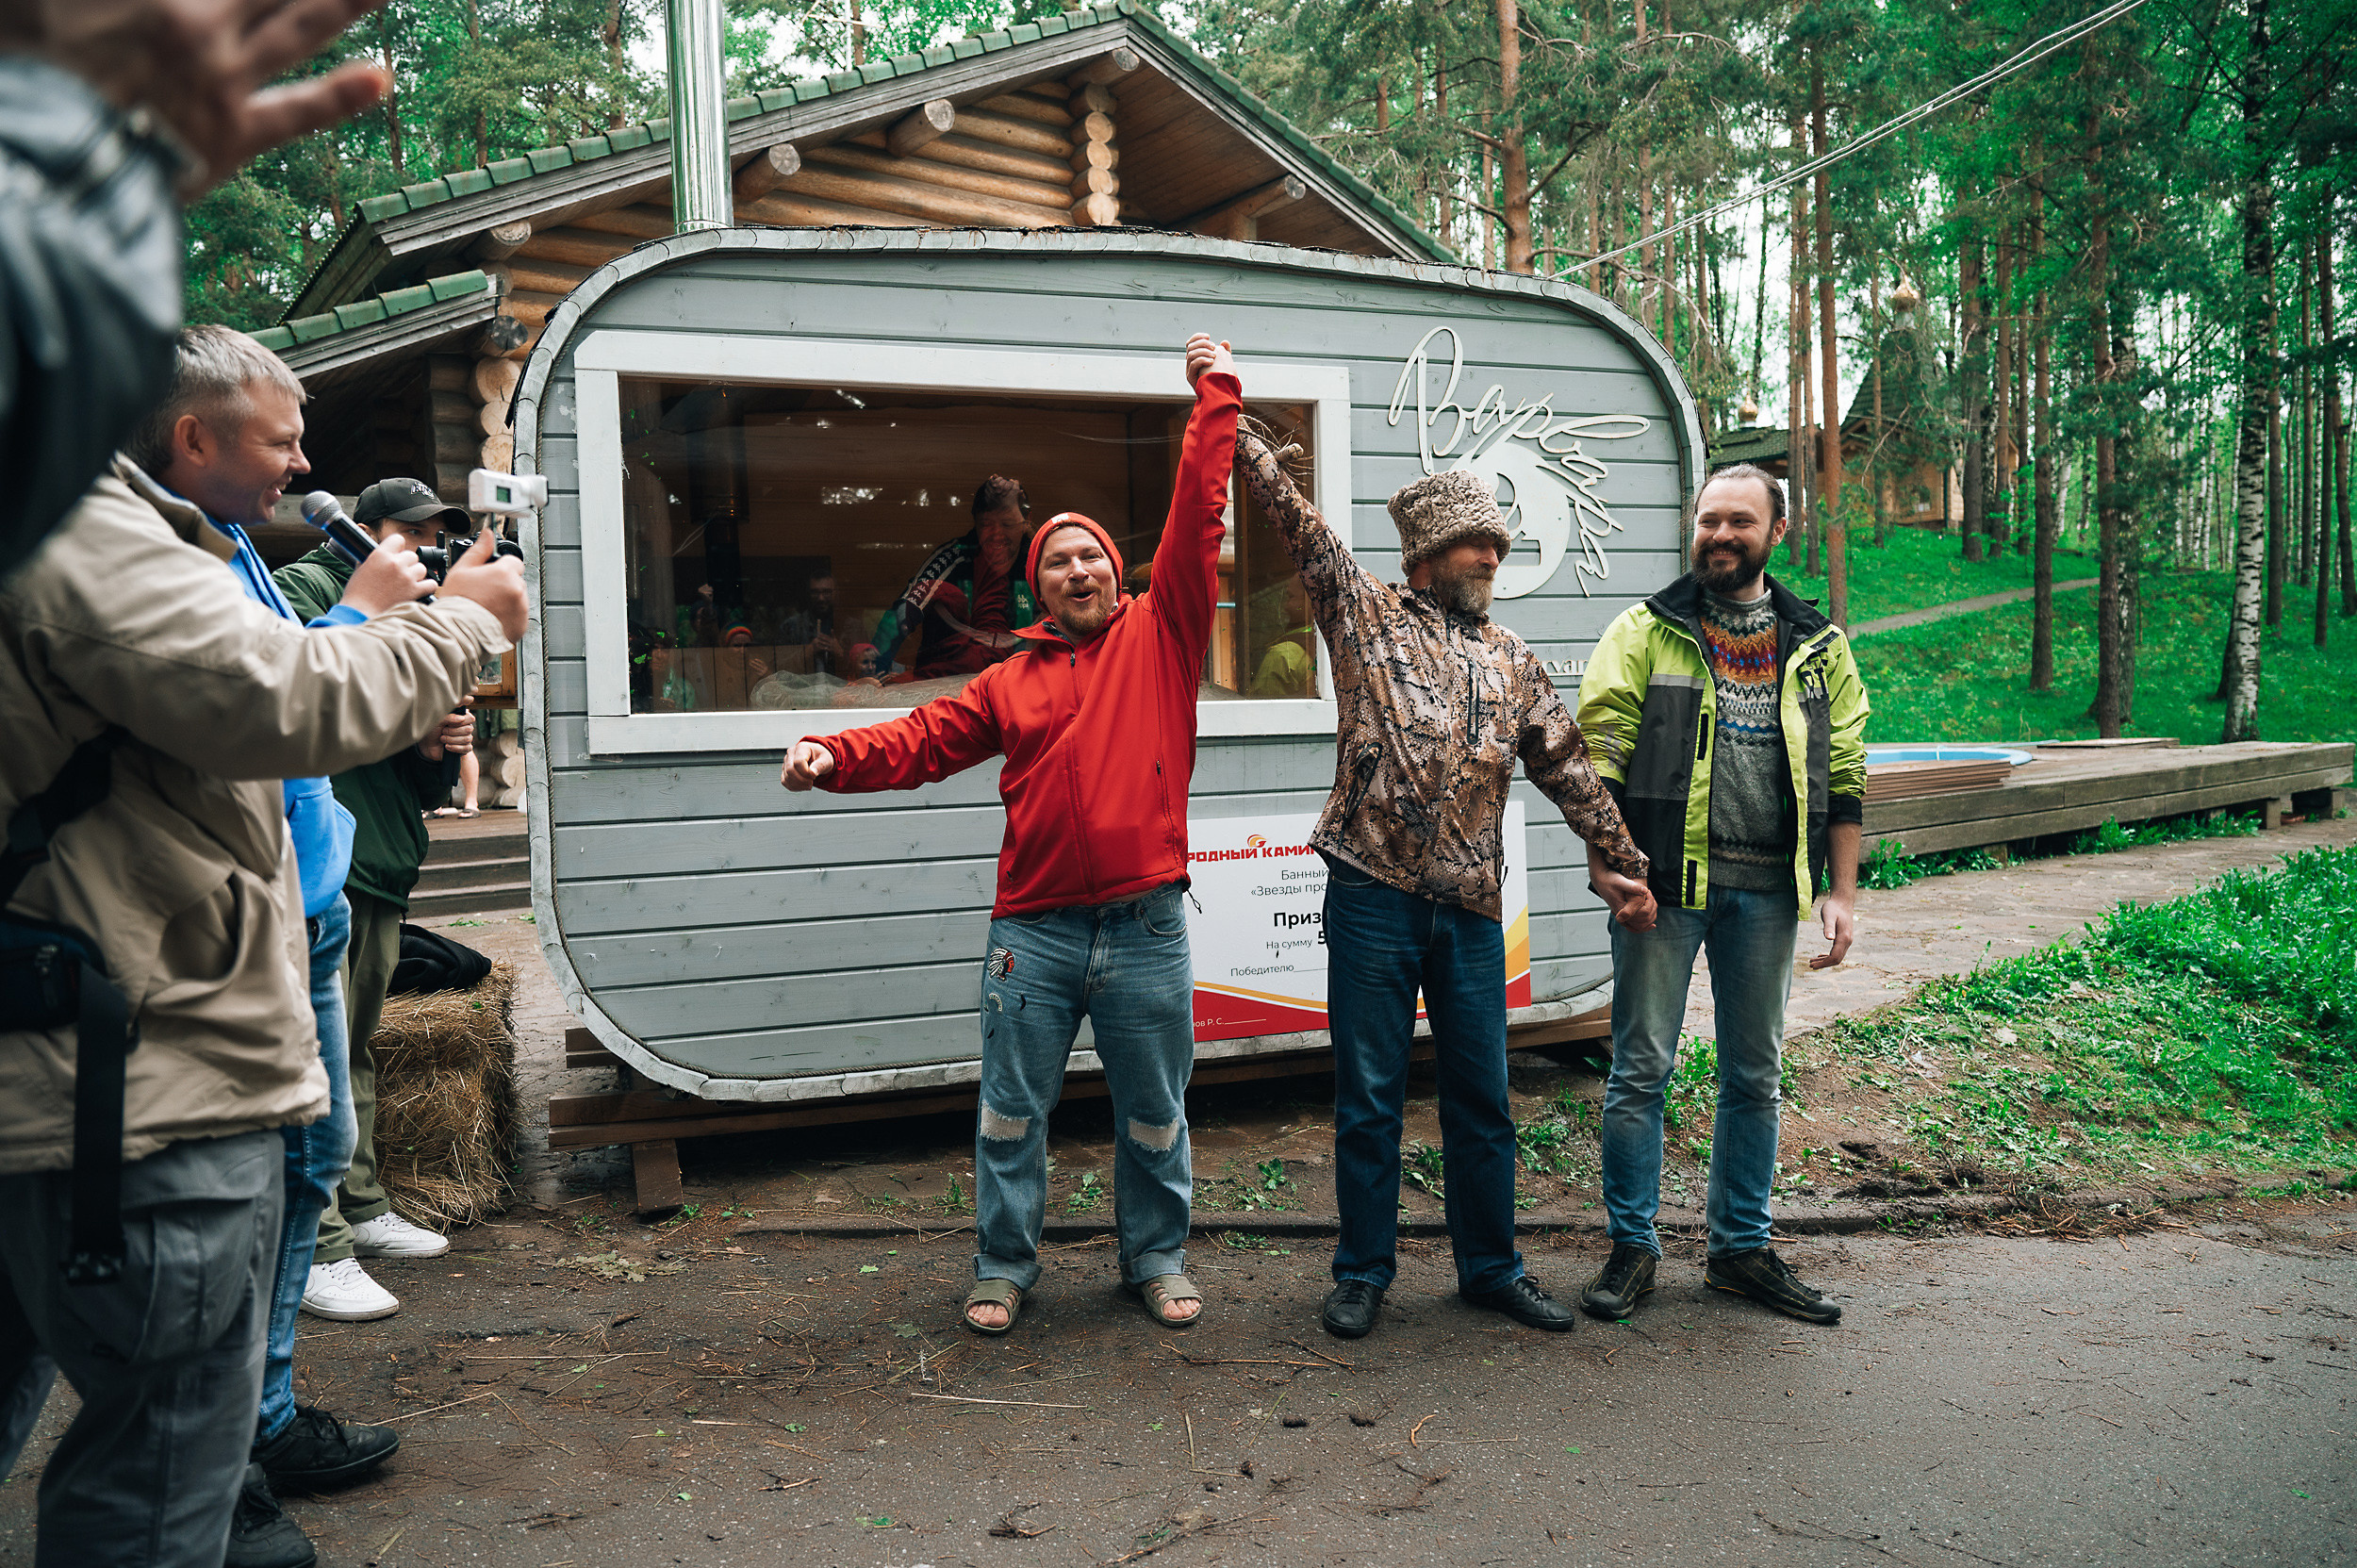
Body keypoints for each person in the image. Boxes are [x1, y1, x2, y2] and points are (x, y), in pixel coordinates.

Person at [0, 388, 524, 1564]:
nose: (303, 460)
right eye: (282, 435)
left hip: (139, 1021)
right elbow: (275, 703)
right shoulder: (75, 523)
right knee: (157, 1457)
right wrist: (453, 626)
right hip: (126, 1067)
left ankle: (262, 1422)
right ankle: (234, 1463)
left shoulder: (135, 527)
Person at [783, 336, 1239, 1336]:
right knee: (1008, 1115)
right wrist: (831, 752)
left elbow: (1198, 512)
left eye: (1092, 555)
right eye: (1058, 560)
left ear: (1118, 574)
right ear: (1039, 587)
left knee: (1155, 1116)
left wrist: (1213, 394)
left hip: (1146, 925)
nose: (1078, 567)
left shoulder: (1162, 636)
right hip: (1031, 932)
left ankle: (1155, 1258)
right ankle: (1003, 1264)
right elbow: (920, 737)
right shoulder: (1008, 681)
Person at [1228, 432, 1656, 1342]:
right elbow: (1298, 526)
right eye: (1478, 542)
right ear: (1425, 554)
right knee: (1371, 1096)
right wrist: (1237, 426)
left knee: (1482, 1098)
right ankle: (1362, 1273)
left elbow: (1570, 766)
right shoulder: (1366, 616)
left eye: (1499, 544)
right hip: (1372, 895)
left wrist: (1623, 861)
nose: (1494, 556)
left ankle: (1491, 1268)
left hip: (1469, 912)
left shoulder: (1512, 657)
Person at [1574, 462, 1869, 1328]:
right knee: (1640, 1071)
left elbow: (1843, 775)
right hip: (1662, 891)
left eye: (1739, 520)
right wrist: (1605, 866)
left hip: (1769, 893)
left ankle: (1740, 1248)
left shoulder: (1819, 648)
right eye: (1708, 520)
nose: (1719, 534)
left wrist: (1842, 891)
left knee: (1755, 1073)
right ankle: (1633, 1246)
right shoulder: (1644, 631)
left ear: (1777, 533)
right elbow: (1600, 760)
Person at [0, 0, 394, 574]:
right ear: (194, 441)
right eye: (281, 442)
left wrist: (97, 182)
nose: (304, 465)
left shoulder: (216, 534)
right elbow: (271, 667)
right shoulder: (130, 552)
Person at [277, 478, 482, 1330]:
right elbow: (292, 693)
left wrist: (437, 746)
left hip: (384, 852)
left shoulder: (406, 600)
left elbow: (402, 756)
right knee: (316, 1063)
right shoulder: (307, 590)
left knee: (353, 1049)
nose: (426, 548)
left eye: (438, 536)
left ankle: (361, 1206)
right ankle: (321, 1248)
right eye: (411, 530)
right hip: (329, 863)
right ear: (360, 531)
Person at [859, 473, 1037, 681]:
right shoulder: (956, 555)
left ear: (1027, 521)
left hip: (1022, 678)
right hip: (948, 678)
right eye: (986, 524)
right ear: (975, 523)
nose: (996, 534)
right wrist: (874, 670)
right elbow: (905, 609)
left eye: (1007, 524)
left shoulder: (1040, 559)